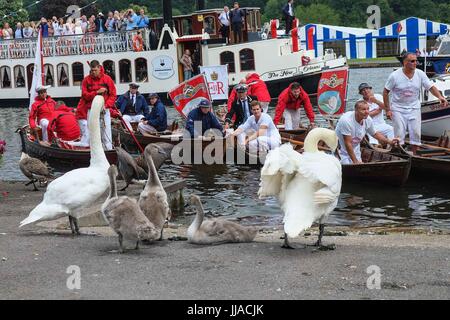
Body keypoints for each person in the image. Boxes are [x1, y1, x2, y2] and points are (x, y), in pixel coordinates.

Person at [383, 52, 448, 154]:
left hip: (414, 107)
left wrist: (440, 97)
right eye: (412, 61)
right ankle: (398, 153)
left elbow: (430, 87)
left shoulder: (420, 73)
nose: (415, 63)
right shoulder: (394, 76)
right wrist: (388, 110)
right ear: (404, 62)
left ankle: (414, 155)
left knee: (416, 133)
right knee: (399, 133)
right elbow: (386, 92)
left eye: (416, 61)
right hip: (398, 108)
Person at [335, 101, 399, 164]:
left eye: (368, 109)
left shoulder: (368, 120)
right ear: (356, 110)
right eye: (363, 109)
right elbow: (347, 143)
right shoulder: (346, 121)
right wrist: (355, 162)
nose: (367, 112)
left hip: (355, 147)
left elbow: (375, 134)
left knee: (359, 166)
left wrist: (389, 142)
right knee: (347, 166)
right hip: (341, 148)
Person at [75, 60, 117, 150]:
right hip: (92, 109)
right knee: (93, 132)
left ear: (99, 68)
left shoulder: (107, 79)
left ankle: (108, 150)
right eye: (92, 70)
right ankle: (95, 151)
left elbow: (113, 95)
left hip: (104, 109)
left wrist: (106, 105)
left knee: (106, 131)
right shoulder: (86, 80)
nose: (93, 72)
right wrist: (96, 92)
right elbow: (84, 96)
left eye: (95, 70)